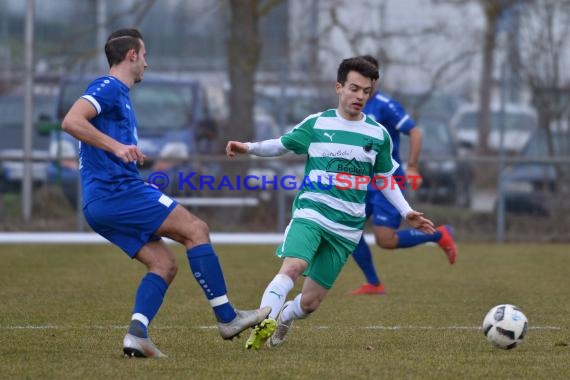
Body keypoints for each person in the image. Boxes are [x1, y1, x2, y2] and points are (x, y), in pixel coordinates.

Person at [61, 28, 270, 358]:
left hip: (101, 202)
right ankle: (228, 318)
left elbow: (99, 139)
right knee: (196, 229)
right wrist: (117, 147)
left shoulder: (120, 96)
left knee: (163, 263)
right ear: (132, 56)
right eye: (144, 55)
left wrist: (126, 152)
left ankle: (137, 335)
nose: (147, 63)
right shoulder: (108, 87)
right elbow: (71, 121)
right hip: (118, 194)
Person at [225, 57, 436, 350]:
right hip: (311, 213)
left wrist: (406, 210)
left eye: (366, 91)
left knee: (310, 303)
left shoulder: (378, 134)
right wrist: (248, 148)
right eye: (354, 88)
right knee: (293, 266)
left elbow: (386, 178)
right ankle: (263, 324)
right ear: (339, 87)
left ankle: (285, 315)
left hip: (347, 228)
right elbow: (281, 144)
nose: (360, 96)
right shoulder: (317, 123)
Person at [347, 55, 457, 296]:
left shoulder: (386, 105)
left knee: (385, 240)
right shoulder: (352, 103)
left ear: (375, 80)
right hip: (362, 180)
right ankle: (374, 283)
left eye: (369, 79)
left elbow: (415, 133)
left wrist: (412, 166)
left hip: (387, 179)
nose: (364, 85)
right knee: (349, 229)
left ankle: (439, 234)